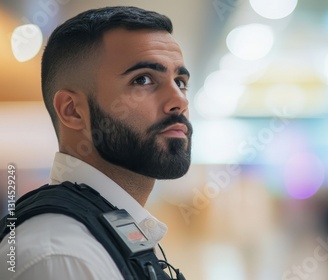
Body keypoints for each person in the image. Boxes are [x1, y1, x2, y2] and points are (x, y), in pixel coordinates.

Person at [0, 6, 192, 280]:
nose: (180, 101)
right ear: (72, 110)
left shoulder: (111, 230)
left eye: (180, 81)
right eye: (144, 79)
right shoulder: (61, 257)